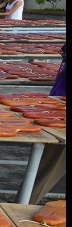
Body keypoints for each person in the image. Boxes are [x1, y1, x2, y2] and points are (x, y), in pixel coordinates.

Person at [20, 42, 66, 204]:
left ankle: (24, 204)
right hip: (58, 108)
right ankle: (24, 204)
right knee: (46, 168)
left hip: (60, 110)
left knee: (48, 168)